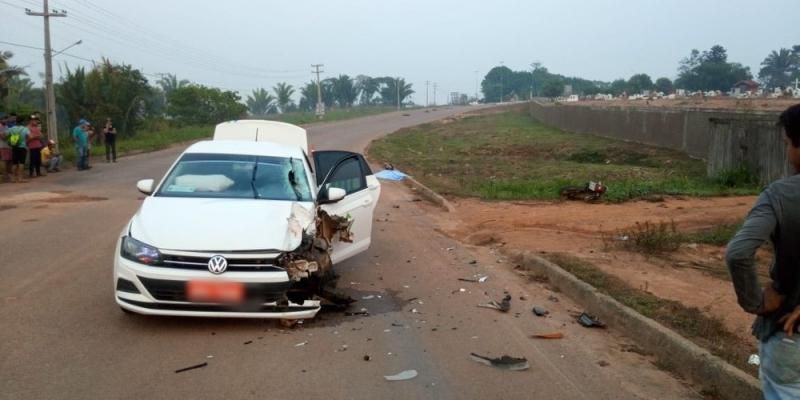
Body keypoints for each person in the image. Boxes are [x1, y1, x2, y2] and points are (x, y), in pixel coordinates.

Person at [727, 103, 800, 398]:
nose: (786, 152)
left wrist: (756, 302)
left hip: (789, 335)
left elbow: (738, 252)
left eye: (787, 143)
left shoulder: (780, 195)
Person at [6, 115, 29, 183]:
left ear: (16, 121)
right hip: (22, 147)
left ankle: (13, 178)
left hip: (14, 146)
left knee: (14, 163)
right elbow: (29, 136)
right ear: (23, 122)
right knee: (21, 163)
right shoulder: (25, 129)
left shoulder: (12, 128)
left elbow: (5, 135)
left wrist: (10, 140)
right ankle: (20, 178)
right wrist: (25, 141)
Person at [0, 113, 12, 182]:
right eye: (4, 119)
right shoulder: (0, 126)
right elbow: (3, 137)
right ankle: (4, 176)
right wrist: (9, 134)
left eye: (6, 118)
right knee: (4, 160)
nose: (6, 120)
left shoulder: (6, 127)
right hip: (2, 146)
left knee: (8, 161)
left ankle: (7, 175)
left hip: (8, 146)